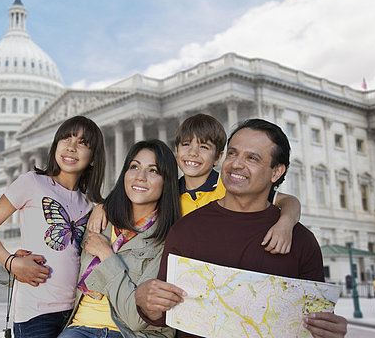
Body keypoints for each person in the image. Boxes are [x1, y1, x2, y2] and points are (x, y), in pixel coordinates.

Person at [135, 119, 348, 338]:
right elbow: (161, 312)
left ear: (276, 172)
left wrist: (328, 331)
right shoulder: (185, 228)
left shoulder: (301, 240)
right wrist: (145, 301)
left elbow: (315, 323)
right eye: (232, 154)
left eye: (252, 158)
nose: (236, 164)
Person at [89, 114, 301, 255]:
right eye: (186, 145)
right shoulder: (168, 194)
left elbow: (288, 201)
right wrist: (102, 207)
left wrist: (285, 224)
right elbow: (134, 202)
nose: (192, 153)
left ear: (218, 157)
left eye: (203, 147)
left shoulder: (230, 187)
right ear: (177, 150)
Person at [0, 115, 106, 338]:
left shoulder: (88, 204)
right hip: (35, 314)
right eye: (66, 138)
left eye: (83, 142)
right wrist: (10, 262)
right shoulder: (32, 182)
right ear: (55, 146)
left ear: (93, 158)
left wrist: (103, 205)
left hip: (75, 312)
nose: (71, 147)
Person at [58, 140, 179, 338]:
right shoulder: (98, 221)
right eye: (134, 167)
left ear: (167, 182)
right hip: (79, 328)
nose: (140, 177)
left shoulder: (169, 240)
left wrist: (107, 255)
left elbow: (137, 318)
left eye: (153, 171)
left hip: (130, 333)